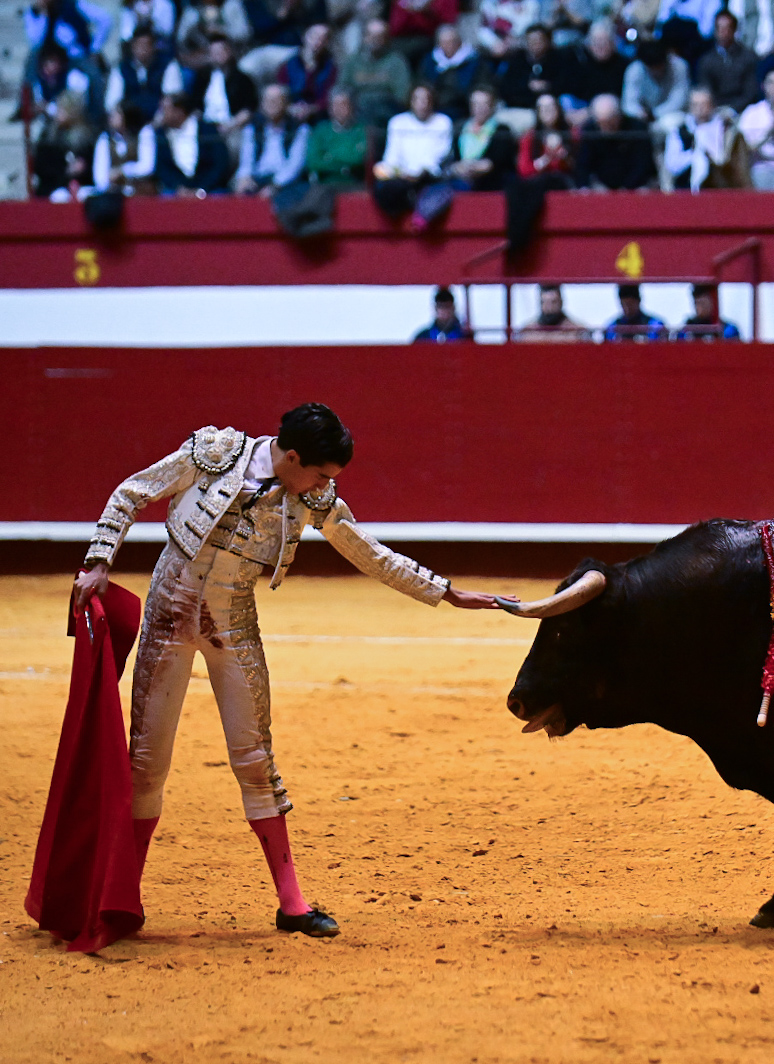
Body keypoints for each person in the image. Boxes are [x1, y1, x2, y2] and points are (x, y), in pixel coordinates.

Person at [72, 403, 500, 940]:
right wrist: (98, 561)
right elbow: (131, 492)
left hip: (233, 622)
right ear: (292, 457)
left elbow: (368, 553)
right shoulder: (213, 454)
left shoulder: (311, 496)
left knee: (255, 761)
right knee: (146, 764)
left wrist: (446, 592)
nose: (324, 486)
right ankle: (124, 898)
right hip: (167, 617)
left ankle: (292, 904)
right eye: (320, 474)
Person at [372, 83, 453, 215]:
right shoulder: (397, 122)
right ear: (410, 101)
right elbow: (392, 155)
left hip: (429, 175)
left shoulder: (443, 122)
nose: (422, 104)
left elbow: (441, 154)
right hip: (401, 176)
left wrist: (418, 173)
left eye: (426, 99)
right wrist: (397, 171)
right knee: (383, 186)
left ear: (432, 101)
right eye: (417, 99)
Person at [664, 85, 751, 189]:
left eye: (704, 104)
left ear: (712, 105)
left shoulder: (725, 128)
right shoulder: (680, 131)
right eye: (695, 104)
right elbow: (672, 165)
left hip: (720, 184)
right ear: (689, 106)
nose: (700, 108)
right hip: (685, 186)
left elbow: (727, 158)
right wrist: (695, 155)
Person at [192, 34, 258, 164]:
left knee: (234, 148)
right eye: (214, 52)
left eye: (221, 51)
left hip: (232, 127)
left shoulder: (242, 79)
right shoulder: (202, 77)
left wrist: (230, 125)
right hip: (206, 127)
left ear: (230, 51)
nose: (218, 55)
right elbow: (195, 107)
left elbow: (249, 109)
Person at [234, 83, 310, 195]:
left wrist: (275, 185)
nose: (271, 104)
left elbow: (295, 164)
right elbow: (246, 160)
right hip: (258, 178)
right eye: (268, 100)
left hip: (287, 181)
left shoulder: (299, 129)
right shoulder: (253, 128)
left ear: (286, 104)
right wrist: (244, 177)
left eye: (276, 100)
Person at [336, 18, 412, 129]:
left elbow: (402, 94)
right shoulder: (352, 61)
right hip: (357, 113)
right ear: (364, 37)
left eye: (380, 36)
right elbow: (342, 88)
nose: (375, 40)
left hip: (387, 112)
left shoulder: (396, 62)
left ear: (386, 39)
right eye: (371, 35)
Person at [154, 92, 232, 195]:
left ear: (179, 111)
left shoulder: (208, 130)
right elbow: (162, 167)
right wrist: (179, 188)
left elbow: (219, 163)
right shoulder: (160, 135)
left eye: (164, 110)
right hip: (176, 191)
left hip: (210, 189)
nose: (160, 114)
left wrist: (202, 189)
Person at [575, 93, 656, 188]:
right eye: (601, 123)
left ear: (618, 116)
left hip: (635, 186)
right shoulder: (590, 130)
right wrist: (584, 187)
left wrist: (626, 188)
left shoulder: (637, 128)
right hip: (601, 187)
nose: (605, 127)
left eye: (609, 122)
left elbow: (643, 165)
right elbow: (583, 164)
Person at [417, 24, 492, 122]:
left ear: (459, 42)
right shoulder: (430, 61)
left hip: (464, 110)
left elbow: (482, 85)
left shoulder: (474, 61)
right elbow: (423, 83)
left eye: (452, 41)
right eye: (444, 42)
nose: (448, 46)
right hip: (434, 109)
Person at [447, 85, 516, 190]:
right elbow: (453, 161)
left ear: (492, 106)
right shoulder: (460, 127)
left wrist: (475, 168)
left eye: (485, 104)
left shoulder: (502, 130)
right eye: (476, 104)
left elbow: (497, 162)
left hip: (492, 183)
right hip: (460, 181)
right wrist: (458, 168)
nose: (480, 108)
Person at [33, 88, 96, 199]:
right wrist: (66, 170)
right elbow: (41, 167)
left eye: (63, 109)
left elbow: (93, 166)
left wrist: (81, 168)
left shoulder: (86, 137)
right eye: (59, 108)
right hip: (54, 186)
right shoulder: (48, 135)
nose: (59, 112)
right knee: (59, 196)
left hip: (81, 184)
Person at [621, 38, 691, 134]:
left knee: (669, 123)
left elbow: (679, 100)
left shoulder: (679, 66)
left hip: (670, 114)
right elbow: (628, 103)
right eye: (652, 68)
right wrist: (639, 112)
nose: (656, 71)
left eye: (659, 66)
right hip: (643, 118)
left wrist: (654, 113)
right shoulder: (634, 70)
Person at [696, 10, 759, 114]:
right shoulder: (706, 61)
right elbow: (706, 91)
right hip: (714, 111)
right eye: (719, 28)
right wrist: (717, 110)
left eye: (727, 28)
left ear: (734, 30)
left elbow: (751, 92)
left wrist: (732, 110)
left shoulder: (749, 57)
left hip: (744, 111)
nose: (723, 32)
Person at [104, 28, 171, 122]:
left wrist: (157, 121)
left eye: (146, 45)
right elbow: (112, 103)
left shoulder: (166, 66)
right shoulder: (121, 69)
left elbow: (171, 97)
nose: (143, 49)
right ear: (133, 46)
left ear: (153, 47)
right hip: (129, 122)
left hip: (158, 120)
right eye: (139, 45)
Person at [305, 87, 368, 187]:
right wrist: (344, 167)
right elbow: (313, 162)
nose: (339, 109)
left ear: (352, 107)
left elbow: (358, 159)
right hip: (324, 183)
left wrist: (329, 157)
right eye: (335, 105)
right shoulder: (320, 129)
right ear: (329, 109)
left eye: (343, 105)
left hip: (352, 183)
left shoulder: (361, 130)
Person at [277, 22, 337, 124]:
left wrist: (312, 109)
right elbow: (281, 89)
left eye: (323, 38)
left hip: (319, 115)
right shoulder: (289, 65)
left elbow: (329, 96)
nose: (318, 41)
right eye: (314, 36)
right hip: (291, 113)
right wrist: (290, 107)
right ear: (305, 36)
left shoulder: (330, 68)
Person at [92, 99, 157, 193]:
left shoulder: (145, 132)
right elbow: (100, 177)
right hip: (114, 193)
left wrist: (123, 171)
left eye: (117, 113)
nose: (111, 117)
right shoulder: (105, 138)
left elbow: (147, 167)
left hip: (141, 191)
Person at [516, 92, 577, 177]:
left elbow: (579, 165)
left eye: (551, 107)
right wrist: (545, 159)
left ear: (558, 109)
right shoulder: (529, 137)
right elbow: (524, 170)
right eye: (543, 108)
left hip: (565, 179)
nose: (547, 111)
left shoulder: (571, 133)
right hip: (538, 180)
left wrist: (564, 156)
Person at [738, 69, 774, 187]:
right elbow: (744, 148)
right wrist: (768, 135)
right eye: (771, 83)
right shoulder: (752, 113)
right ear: (763, 86)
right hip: (761, 167)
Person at [517, 283, 589, 340]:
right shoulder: (528, 333)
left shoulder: (577, 332)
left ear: (561, 302)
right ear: (540, 303)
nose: (549, 307)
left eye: (553, 302)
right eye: (545, 302)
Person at [477, 0, 541, 58]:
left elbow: (533, 28)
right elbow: (483, 29)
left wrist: (514, 40)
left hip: (524, 48)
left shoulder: (531, 3)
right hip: (499, 48)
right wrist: (494, 42)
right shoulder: (489, 3)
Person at [676, 283, 741, 339]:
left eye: (703, 303)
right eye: (696, 303)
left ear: (713, 302)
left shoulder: (727, 330)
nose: (698, 308)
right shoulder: (687, 331)